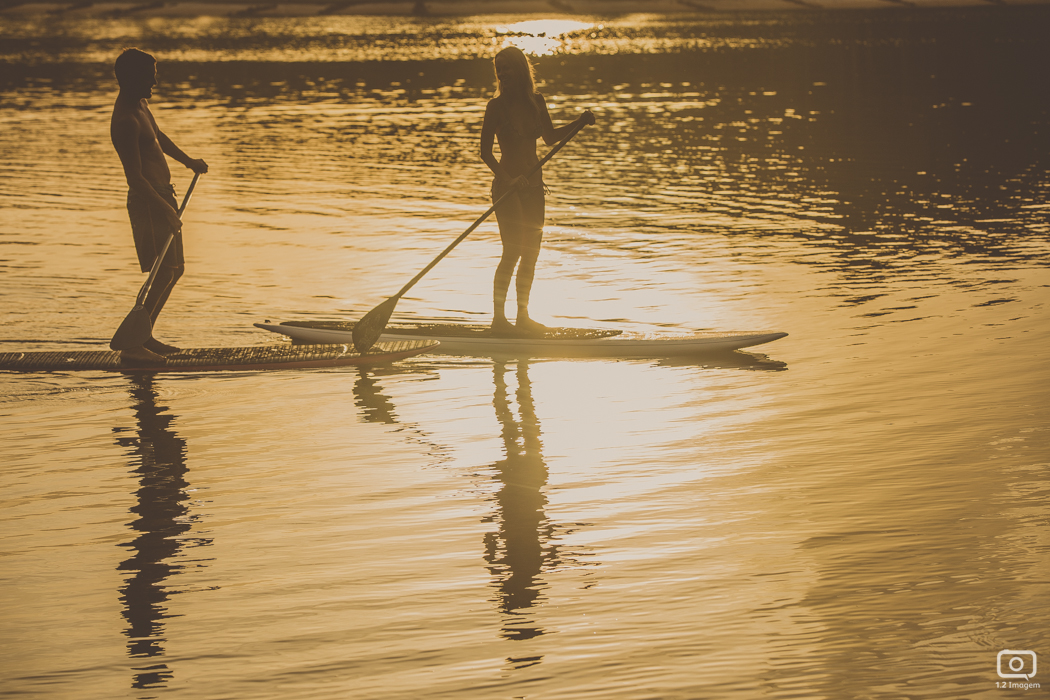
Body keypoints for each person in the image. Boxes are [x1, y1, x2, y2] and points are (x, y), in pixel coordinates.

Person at [480, 46, 595, 336]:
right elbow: (485, 153)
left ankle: (522, 318)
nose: (502, 73)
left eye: (507, 67)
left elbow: (551, 137)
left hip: (533, 188)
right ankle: (498, 321)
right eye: (498, 68)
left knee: (531, 253)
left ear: (520, 70)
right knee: (513, 251)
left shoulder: (537, 101)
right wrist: (507, 179)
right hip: (507, 189)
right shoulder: (495, 107)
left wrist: (579, 123)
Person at [110, 48, 207, 363]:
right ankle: (132, 347)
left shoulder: (140, 105)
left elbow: (159, 138)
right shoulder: (125, 119)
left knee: (175, 270)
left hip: (164, 196)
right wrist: (165, 209)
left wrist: (188, 161)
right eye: (150, 76)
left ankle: (145, 335)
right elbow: (135, 179)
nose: (154, 81)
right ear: (133, 78)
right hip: (148, 202)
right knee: (162, 273)